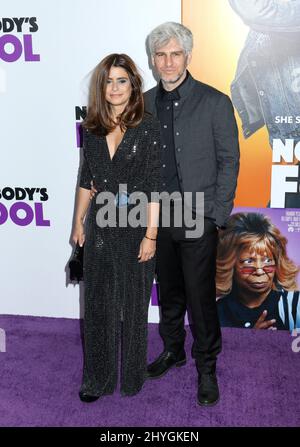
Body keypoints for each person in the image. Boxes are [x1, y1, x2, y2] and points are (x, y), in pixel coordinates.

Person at [144, 22, 240, 407]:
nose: (168, 62)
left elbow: (229, 161)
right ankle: (173, 350)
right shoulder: (145, 103)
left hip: (198, 215)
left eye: (175, 54)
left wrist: (216, 214)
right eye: (161, 55)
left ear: (187, 56)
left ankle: (207, 367)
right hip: (156, 216)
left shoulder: (215, 102)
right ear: (153, 60)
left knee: (200, 298)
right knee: (169, 293)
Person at [72, 53, 161, 402]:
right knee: (97, 306)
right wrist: (78, 222)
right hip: (101, 226)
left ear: (133, 85)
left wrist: (151, 235)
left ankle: (133, 379)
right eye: (108, 81)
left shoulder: (148, 126)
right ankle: (97, 379)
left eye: (121, 80)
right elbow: (86, 178)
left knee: (135, 306)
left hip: (138, 224)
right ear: (101, 86)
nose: (114, 87)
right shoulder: (91, 128)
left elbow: (154, 183)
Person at [229, 0, 300, 207]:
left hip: (294, 134)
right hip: (288, 137)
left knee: (281, 223)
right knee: (283, 225)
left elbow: (254, 9)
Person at [216, 212, 300, 330]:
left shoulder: (295, 305)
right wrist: (254, 340)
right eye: (248, 262)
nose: (260, 271)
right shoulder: (216, 312)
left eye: (267, 261)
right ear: (229, 265)